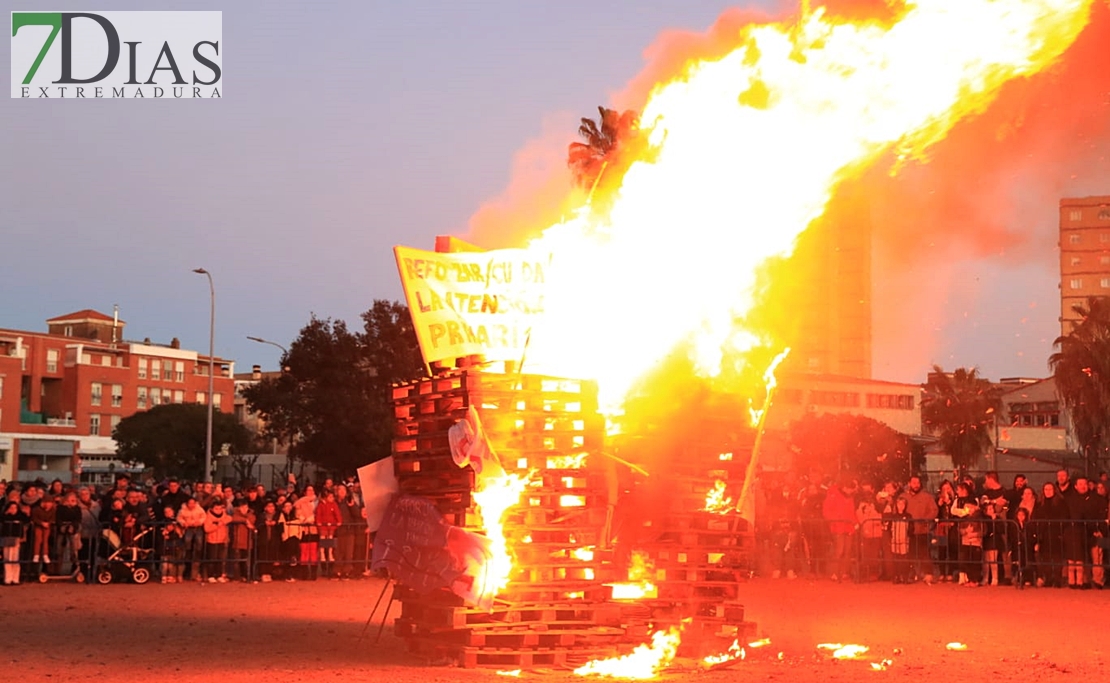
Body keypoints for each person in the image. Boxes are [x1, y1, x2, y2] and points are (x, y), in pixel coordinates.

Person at [902, 476, 938, 584]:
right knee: (909, 554)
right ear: (909, 483)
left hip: (923, 530)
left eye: (918, 482)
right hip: (908, 531)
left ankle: (928, 574)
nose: (916, 485)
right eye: (913, 482)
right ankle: (910, 574)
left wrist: (926, 520)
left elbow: (934, 510)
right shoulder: (903, 497)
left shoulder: (927, 497)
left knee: (924, 554)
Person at [1, 500, 30, 585]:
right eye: (11, 508)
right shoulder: (4, 516)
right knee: (7, 558)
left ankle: (15, 578)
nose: (13, 510)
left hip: (17, 539)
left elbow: (27, 519)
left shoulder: (20, 516)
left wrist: (27, 513)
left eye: (15, 508)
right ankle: (7, 579)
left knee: (15, 558)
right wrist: (6, 513)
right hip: (6, 538)